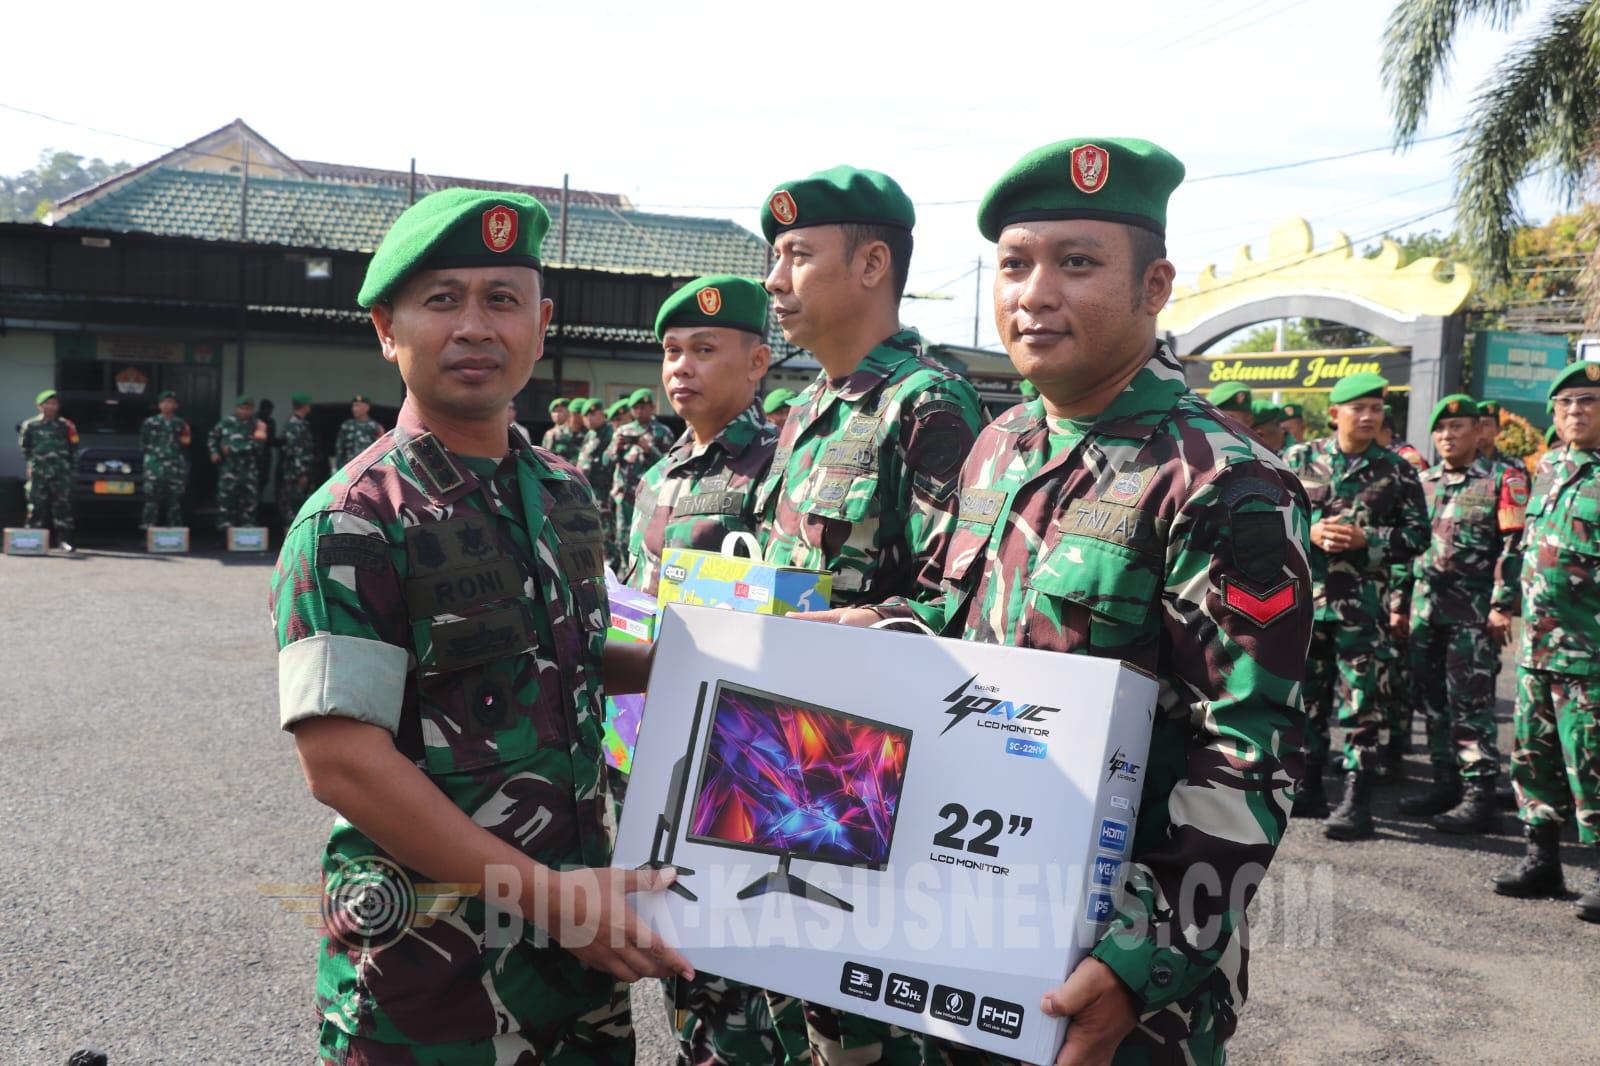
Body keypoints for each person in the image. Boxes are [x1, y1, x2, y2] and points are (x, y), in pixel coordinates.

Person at [803, 137, 1311, 1065]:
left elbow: (1248, 753)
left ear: (1154, 287)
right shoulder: (1000, 445)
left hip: (1109, 968)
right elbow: (955, 617)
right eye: (1014, 265)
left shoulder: (1222, 483)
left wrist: (1134, 963)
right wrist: (875, 629)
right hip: (958, 911)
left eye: (1076, 264)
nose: (1034, 294)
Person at [268, 188, 692, 1064]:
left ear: (540, 325)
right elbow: (342, 762)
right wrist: (551, 900)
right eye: (442, 300)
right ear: (386, 330)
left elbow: (567, 656)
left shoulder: (565, 495)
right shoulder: (353, 521)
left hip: (576, 969)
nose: (474, 327)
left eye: (501, 300)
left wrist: (686, 665)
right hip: (431, 986)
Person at [753, 162, 986, 1062]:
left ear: (872, 265)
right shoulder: (807, 406)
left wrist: (862, 628)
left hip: (875, 780)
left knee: (871, 1032)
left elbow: (954, 603)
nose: (775, 281)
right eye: (775, 258)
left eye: (797, 256)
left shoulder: (925, 403)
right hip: (785, 759)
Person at [1283, 373, 1429, 837]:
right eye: (1358, 408)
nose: (1369, 417)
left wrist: (1370, 539)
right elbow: (1268, 516)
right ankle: (1307, 786)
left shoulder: (1398, 469)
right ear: (1334, 414)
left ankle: (1356, 800)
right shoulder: (1299, 459)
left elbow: (1418, 536)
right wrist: (1308, 531)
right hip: (1307, 605)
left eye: (1376, 409)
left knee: (1362, 703)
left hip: (1362, 611)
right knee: (1306, 698)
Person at [1496, 361, 1600, 922]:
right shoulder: (1551, 465)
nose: (1575, 411)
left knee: (1593, 762)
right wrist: (1502, 599)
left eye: (1587, 401)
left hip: (1590, 652)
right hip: (1537, 649)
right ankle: (1543, 860)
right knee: (1533, 758)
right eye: (1565, 403)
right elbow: (1527, 544)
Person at [1393, 396, 1526, 833]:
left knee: (1471, 705)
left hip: (1472, 615)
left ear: (1478, 431)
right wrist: (1399, 605)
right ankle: (1445, 783)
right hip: (1425, 613)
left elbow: (1513, 548)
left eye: (1458, 427)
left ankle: (1479, 794)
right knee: (1433, 703)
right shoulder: (1423, 481)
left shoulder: (1500, 479)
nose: (1448, 436)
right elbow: (1408, 548)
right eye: (1441, 429)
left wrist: (1502, 605)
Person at [605, 389, 673, 563]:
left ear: (652, 408)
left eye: (643, 407)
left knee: (646, 537)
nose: (639, 411)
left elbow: (670, 465)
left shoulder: (662, 432)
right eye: (636, 408)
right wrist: (616, 448)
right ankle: (625, 570)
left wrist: (649, 449)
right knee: (622, 538)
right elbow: (606, 461)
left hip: (650, 496)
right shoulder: (623, 430)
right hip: (624, 495)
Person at [17, 388, 78, 552]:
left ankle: (64, 540)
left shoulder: (66, 425)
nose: (51, 406)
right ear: (39, 406)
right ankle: (31, 540)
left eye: (54, 403)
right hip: (39, 471)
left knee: (62, 506)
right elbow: (25, 448)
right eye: (47, 403)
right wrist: (32, 464)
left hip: (60, 471)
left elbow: (74, 445)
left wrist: (65, 464)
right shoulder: (30, 425)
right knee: (36, 505)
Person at [208, 395, 268, 529]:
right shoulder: (226, 422)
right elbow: (212, 437)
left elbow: (259, 446)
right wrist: (214, 452)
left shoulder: (257, 425)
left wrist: (233, 448)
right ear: (237, 408)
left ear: (252, 410)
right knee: (226, 499)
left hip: (249, 469)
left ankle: (248, 530)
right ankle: (225, 531)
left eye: (248, 409)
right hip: (229, 468)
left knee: (249, 500)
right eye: (242, 408)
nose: (244, 411)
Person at [139, 389, 191, 529]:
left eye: (170, 402)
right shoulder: (149, 422)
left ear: (176, 405)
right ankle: (148, 528)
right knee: (151, 498)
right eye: (164, 402)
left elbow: (186, 443)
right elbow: (143, 443)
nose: (167, 405)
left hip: (174, 465)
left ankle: (174, 530)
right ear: (159, 405)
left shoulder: (181, 423)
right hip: (154, 465)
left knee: (175, 500)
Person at [278, 392, 320, 525]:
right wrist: (301, 473)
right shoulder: (295, 425)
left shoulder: (301, 423)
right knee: (293, 508)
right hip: (295, 475)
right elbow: (296, 451)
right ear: (305, 406)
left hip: (301, 472)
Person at [334, 394, 384, 469]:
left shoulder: (375, 427)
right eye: (353, 406)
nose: (354, 409)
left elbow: (381, 448)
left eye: (357, 406)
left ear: (367, 408)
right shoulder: (346, 425)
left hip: (368, 467)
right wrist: (340, 467)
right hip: (349, 467)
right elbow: (339, 448)